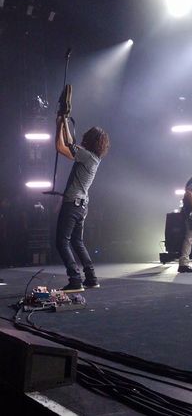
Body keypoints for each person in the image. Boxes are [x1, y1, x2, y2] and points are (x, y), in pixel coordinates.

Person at [55, 115, 110, 292]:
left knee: (61, 242)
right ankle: (92, 278)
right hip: (82, 205)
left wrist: (58, 126)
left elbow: (60, 147)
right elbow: (71, 143)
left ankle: (75, 279)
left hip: (72, 203)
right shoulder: (93, 157)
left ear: (90, 140)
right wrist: (64, 122)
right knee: (77, 242)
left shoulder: (85, 156)